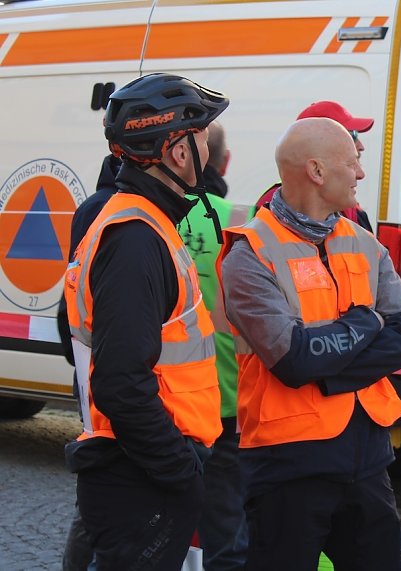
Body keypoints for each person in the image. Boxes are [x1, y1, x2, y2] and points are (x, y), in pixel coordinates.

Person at [218, 117, 401, 570]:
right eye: (352, 163)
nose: (361, 173)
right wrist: (366, 324)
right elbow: (291, 359)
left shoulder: (364, 243)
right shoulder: (250, 252)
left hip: (366, 456)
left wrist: (327, 366)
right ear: (316, 171)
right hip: (286, 463)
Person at [63, 73, 228, 569]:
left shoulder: (147, 222)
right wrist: (179, 471)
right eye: (200, 134)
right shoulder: (136, 237)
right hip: (140, 474)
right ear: (178, 151)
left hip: (142, 466)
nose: (208, 147)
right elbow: (120, 382)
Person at [182, 120, 251, 571]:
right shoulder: (237, 221)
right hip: (227, 399)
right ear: (222, 162)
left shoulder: (149, 216)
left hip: (168, 404)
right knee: (227, 528)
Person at [58, 154, 121, 571]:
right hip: (103, 357)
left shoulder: (89, 207)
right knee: (99, 486)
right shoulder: (111, 210)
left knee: (96, 485)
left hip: (88, 353)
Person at [254, 100, 374, 233]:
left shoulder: (348, 206)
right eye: (351, 134)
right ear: (316, 170)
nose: (360, 144)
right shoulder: (273, 208)